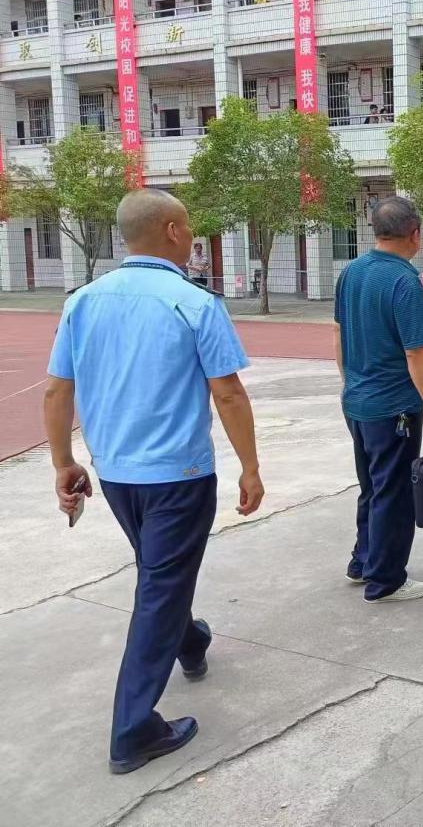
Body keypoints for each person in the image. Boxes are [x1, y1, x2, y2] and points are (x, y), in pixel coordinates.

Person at [44, 188, 264, 775]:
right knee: (160, 584)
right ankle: (133, 729)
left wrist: (64, 460)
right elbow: (227, 392)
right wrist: (250, 466)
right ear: (170, 230)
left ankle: (190, 640)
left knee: (160, 571)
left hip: (116, 474)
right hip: (178, 475)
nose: (191, 237)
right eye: (188, 227)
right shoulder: (194, 302)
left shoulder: (82, 302)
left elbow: (57, 389)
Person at [334, 197, 423, 603]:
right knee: (394, 491)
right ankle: (386, 579)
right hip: (393, 406)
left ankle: (364, 561)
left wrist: (350, 382)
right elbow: (417, 353)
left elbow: (339, 332)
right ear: (415, 234)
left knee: (372, 486)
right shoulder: (403, 281)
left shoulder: (351, 272)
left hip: (358, 401)